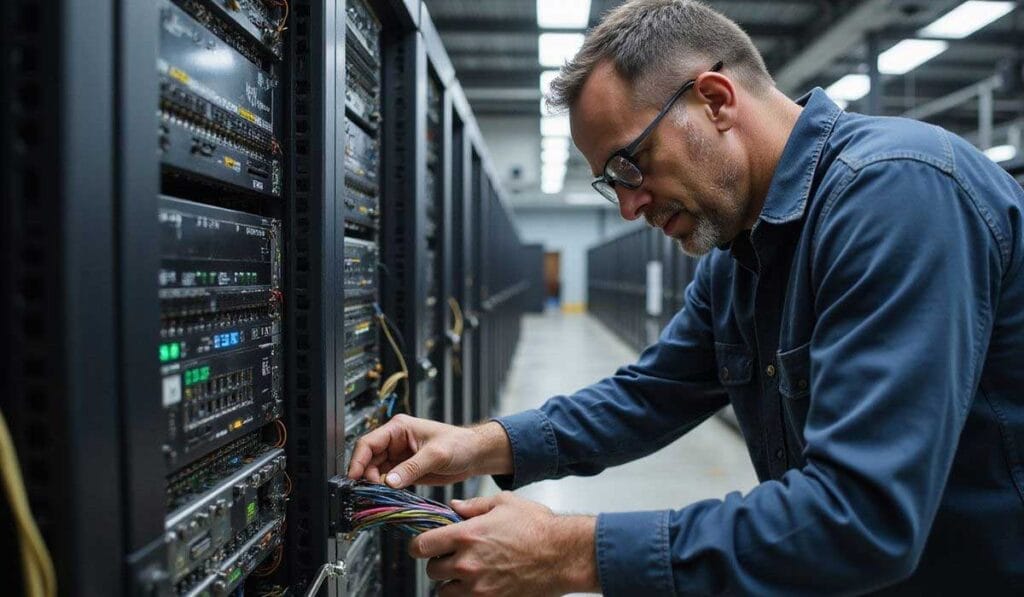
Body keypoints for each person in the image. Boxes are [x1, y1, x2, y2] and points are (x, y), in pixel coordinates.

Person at [348, 0, 1024, 594]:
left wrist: (569, 551)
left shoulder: (897, 195)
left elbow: (861, 517)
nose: (628, 205)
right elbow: (651, 393)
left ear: (717, 100)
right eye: (609, 183)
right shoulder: (741, 255)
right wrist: (479, 444)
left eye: (629, 164)